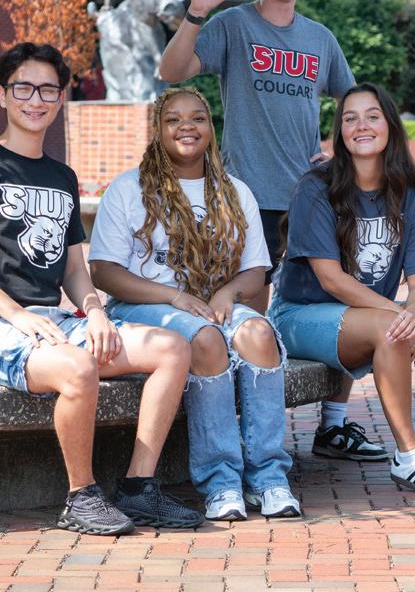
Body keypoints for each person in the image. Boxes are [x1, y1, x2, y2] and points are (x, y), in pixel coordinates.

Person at [0, 42, 203, 535]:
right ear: (2, 95)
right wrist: (18, 315)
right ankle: (81, 498)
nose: (35, 100)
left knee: (172, 348)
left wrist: (95, 312)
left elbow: (74, 269)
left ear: (61, 99)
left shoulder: (62, 176)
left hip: (51, 323)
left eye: (48, 90)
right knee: (79, 367)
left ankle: (139, 488)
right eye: (23, 88)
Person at [158, 0, 386, 464]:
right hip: (246, 195)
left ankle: (334, 426)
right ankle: (244, 426)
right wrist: (196, 13)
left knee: (336, 300)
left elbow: (353, 101)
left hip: (311, 196)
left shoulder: (320, 38)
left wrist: (339, 154)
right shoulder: (233, 26)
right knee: (247, 314)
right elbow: (171, 72)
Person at [89, 87, 300, 522]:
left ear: (211, 128)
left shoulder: (234, 191)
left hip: (208, 305)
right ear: (158, 130)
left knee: (259, 333)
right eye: (173, 119)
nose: (187, 126)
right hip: (143, 306)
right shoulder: (130, 188)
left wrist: (228, 293)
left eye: (198, 118)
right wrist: (172, 295)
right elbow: (104, 272)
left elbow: (255, 271)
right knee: (206, 340)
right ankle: (221, 482)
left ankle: (268, 477)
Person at [268, 83, 415, 496]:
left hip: (366, 315)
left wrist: (412, 313)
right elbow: (330, 279)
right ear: (340, 132)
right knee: (393, 327)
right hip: (298, 315)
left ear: (390, 126)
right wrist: (399, 315)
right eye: (350, 118)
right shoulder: (317, 186)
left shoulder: (410, 194)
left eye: (372, 116)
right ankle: (408, 455)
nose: (361, 125)